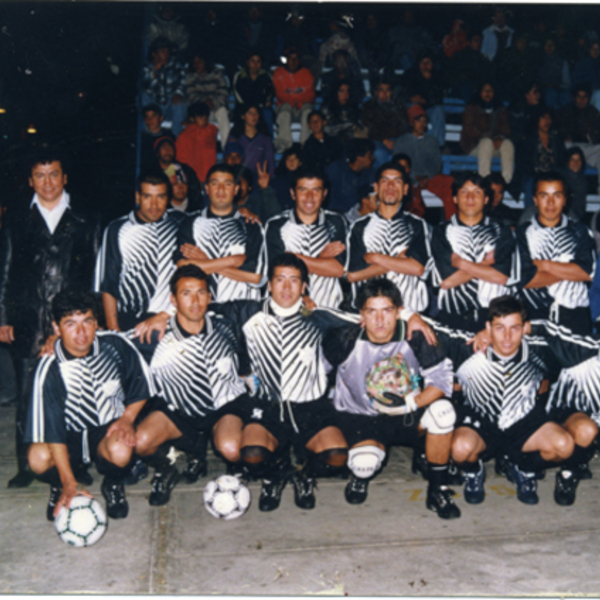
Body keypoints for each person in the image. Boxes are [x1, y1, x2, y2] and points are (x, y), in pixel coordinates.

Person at [209, 253, 435, 511]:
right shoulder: (246, 312)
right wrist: (163, 315)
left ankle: (304, 476)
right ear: (269, 284)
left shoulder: (318, 316)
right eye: (279, 280)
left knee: (336, 457)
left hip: (311, 408)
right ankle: (275, 475)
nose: (286, 287)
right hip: (267, 407)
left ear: (304, 286)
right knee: (252, 454)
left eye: (294, 281)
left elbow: (367, 315)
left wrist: (411, 316)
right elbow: (201, 308)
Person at [0, 151, 100, 488]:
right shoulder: (16, 219)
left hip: (73, 323)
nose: (47, 182)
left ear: (64, 177)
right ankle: (27, 465)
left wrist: (90, 321)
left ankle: (77, 460)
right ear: (31, 180)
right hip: (27, 320)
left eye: (54, 174)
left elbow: (94, 278)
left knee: (75, 392)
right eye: (40, 176)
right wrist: (3, 316)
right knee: (28, 395)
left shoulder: (85, 219)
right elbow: (5, 271)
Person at [322, 278, 460, 519]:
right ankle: (359, 475)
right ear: (361, 314)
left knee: (443, 412)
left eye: (387, 310)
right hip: (362, 417)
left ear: (399, 312)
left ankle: (438, 489)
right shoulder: (343, 338)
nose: (379, 320)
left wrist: (410, 403)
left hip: (406, 414)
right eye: (371, 311)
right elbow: (314, 377)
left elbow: (441, 382)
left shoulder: (415, 335)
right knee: (364, 464)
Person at [25, 290, 153, 521]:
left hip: (106, 431)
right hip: (67, 439)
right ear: (56, 328)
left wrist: (126, 419)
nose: (81, 332)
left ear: (97, 323)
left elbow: (142, 384)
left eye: (87, 321)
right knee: (37, 457)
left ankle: (113, 484)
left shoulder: (115, 345)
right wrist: (68, 482)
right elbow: (52, 431)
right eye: (70, 324)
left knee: (122, 447)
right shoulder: (49, 367)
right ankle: (60, 486)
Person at [134, 266, 250, 506]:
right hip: (180, 414)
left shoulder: (227, 324)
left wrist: (305, 304)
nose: (195, 301)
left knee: (231, 448)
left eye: (201, 293)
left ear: (210, 296)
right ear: (173, 300)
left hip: (224, 407)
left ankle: (230, 459)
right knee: (141, 441)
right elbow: (109, 342)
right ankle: (168, 466)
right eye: (186, 293)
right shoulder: (155, 336)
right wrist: (55, 339)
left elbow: (276, 306)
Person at [447, 295, 575, 505]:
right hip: (482, 426)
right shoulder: (468, 350)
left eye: (514, 328)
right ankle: (474, 472)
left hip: (523, 425)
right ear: (487, 327)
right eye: (499, 328)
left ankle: (524, 468)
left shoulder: (540, 350)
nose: (507, 337)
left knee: (563, 445)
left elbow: (557, 337)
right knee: (459, 448)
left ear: (525, 327)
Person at [95, 170, 182, 333]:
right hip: (128, 321)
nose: (154, 205)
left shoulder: (180, 223)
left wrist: (241, 211)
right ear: (137, 197)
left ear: (168, 199)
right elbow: (108, 285)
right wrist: (114, 330)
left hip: (168, 320)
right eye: (148, 197)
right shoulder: (117, 229)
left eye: (161, 197)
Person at [431, 172, 516, 332]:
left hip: (495, 320)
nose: (470, 198)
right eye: (464, 192)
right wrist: (485, 264)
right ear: (455, 198)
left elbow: (501, 277)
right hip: (452, 318)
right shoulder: (441, 231)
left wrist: (461, 263)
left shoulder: (501, 231)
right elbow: (447, 281)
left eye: (477, 192)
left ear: (486, 199)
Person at [516, 171, 595, 335]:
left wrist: (543, 265)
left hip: (575, 317)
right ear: (535, 200)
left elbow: (588, 272)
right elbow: (524, 279)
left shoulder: (580, 231)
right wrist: (570, 269)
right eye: (544, 196)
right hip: (534, 316)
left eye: (557, 196)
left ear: (565, 199)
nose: (550, 202)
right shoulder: (521, 233)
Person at [347, 162, 431, 312]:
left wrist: (376, 258)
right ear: (376, 187)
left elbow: (417, 268)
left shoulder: (417, 225)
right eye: (385, 181)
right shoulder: (359, 226)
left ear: (405, 189)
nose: (390, 186)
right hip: (367, 312)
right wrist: (399, 262)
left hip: (410, 310)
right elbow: (353, 275)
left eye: (397, 181)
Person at [175, 164, 265, 303]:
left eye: (227, 184)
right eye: (215, 183)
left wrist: (206, 262)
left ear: (236, 189)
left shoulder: (251, 224)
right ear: (207, 188)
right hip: (202, 309)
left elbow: (256, 277)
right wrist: (232, 261)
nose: (221, 189)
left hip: (244, 309)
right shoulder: (190, 222)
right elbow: (183, 267)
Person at [265, 166, 347, 309]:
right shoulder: (276, 224)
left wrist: (294, 257)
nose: (309, 197)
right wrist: (322, 259)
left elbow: (338, 269)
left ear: (324, 194)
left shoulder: (336, 221)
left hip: (330, 306)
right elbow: (279, 273)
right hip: (287, 305)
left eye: (316, 190)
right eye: (303, 190)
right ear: (293, 194)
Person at [393, 104, 456, 219]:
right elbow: (399, 165)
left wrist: (426, 177)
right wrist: (415, 178)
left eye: (424, 121)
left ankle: (451, 224)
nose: (422, 124)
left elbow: (436, 164)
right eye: (419, 121)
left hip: (429, 179)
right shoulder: (401, 141)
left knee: (450, 183)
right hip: (410, 179)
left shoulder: (432, 141)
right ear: (412, 122)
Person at [461, 81, 515, 185]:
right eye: (485, 90)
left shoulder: (500, 109)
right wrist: (489, 138)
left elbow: (506, 130)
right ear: (480, 92)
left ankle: (505, 182)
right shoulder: (471, 108)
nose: (488, 93)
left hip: (494, 146)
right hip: (475, 147)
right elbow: (469, 130)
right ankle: (485, 182)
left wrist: (500, 138)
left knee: (508, 144)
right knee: (486, 143)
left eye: (490, 91)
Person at [517, 107, 567, 207]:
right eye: (543, 118)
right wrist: (539, 176)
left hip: (552, 175)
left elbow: (562, 162)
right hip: (532, 176)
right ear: (537, 120)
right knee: (531, 183)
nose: (546, 121)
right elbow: (523, 164)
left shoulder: (557, 140)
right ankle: (530, 215)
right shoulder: (528, 140)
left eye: (549, 118)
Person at [555, 84, 600, 193]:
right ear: (574, 98)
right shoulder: (564, 111)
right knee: (566, 146)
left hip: (588, 149)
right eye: (579, 96)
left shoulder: (594, 113)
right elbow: (556, 131)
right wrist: (563, 136)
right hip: (571, 148)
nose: (582, 100)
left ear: (589, 98)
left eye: (585, 97)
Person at [397, 50, 446, 148]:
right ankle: (415, 143)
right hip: (412, 106)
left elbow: (439, 97)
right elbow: (400, 92)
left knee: (438, 110)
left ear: (432, 65)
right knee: (415, 109)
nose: (425, 65)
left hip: (428, 107)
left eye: (428, 63)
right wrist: (412, 98)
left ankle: (438, 146)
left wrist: (426, 99)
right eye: (422, 63)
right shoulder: (410, 73)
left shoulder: (437, 76)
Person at [140, 37, 187, 137]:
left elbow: (183, 82)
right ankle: (147, 135)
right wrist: (154, 72)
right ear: (154, 54)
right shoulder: (147, 67)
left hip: (169, 107)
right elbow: (142, 86)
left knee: (180, 102)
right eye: (162, 51)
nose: (166, 53)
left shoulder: (176, 66)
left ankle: (175, 138)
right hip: (154, 107)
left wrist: (178, 93)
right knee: (142, 96)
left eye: (167, 50)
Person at [273, 47, 316, 152]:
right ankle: (283, 143)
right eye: (290, 58)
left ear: (300, 61)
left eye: (296, 59)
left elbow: (310, 96)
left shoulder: (306, 73)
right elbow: (281, 96)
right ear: (286, 60)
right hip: (284, 108)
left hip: (301, 108)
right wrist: (296, 100)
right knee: (286, 108)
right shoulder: (278, 73)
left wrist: (297, 102)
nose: (293, 62)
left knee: (308, 110)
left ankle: (306, 144)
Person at [360, 78, 409, 168]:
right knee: (378, 152)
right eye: (381, 90)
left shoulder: (398, 106)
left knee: (406, 150)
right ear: (376, 92)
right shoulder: (368, 106)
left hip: (395, 139)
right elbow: (369, 127)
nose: (385, 93)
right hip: (377, 139)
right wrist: (384, 139)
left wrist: (395, 140)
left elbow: (404, 126)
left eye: (388, 90)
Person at [183, 52, 231, 145]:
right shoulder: (190, 77)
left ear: (206, 62)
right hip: (199, 111)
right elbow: (191, 95)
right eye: (195, 62)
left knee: (222, 112)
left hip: (216, 108)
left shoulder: (217, 74)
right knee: (197, 118)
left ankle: (227, 150)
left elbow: (223, 94)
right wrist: (204, 103)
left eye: (200, 61)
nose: (197, 65)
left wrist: (212, 102)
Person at [324, 138, 376, 215]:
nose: (373, 158)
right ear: (359, 157)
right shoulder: (335, 171)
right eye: (370, 155)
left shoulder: (371, 173)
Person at [225, 103, 276, 180]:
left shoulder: (265, 138)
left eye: (256, 113)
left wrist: (271, 179)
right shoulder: (235, 135)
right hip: (238, 177)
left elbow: (270, 161)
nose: (254, 116)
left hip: (258, 178)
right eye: (250, 113)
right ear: (243, 116)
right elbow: (227, 158)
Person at [175, 101, 218, 183]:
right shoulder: (184, 135)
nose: (205, 121)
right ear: (192, 119)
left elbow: (206, 134)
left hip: (206, 175)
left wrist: (191, 127)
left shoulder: (209, 130)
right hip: (191, 176)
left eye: (206, 118)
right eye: (201, 118)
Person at [232, 52, 274, 132]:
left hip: (260, 107)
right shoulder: (239, 76)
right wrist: (249, 109)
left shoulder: (266, 76)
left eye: (258, 61)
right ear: (247, 62)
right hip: (243, 107)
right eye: (253, 61)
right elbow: (238, 96)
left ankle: (268, 142)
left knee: (267, 113)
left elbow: (270, 94)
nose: (255, 64)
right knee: (241, 116)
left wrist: (265, 103)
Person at [322, 81, 364, 148]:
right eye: (341, 91)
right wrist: (350, 125)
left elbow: (360, 125)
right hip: (333, 141)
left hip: (352, 139)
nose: (345, 94)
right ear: (335, 92)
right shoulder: (327, 108)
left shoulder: (352, 107)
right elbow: (328, 129)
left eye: (347, 91)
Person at [140, 104, 175, 173]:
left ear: (161, 118)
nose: (150, 119)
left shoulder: (169, 136)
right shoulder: (142, 138)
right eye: (147, 117)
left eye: (153, 116)